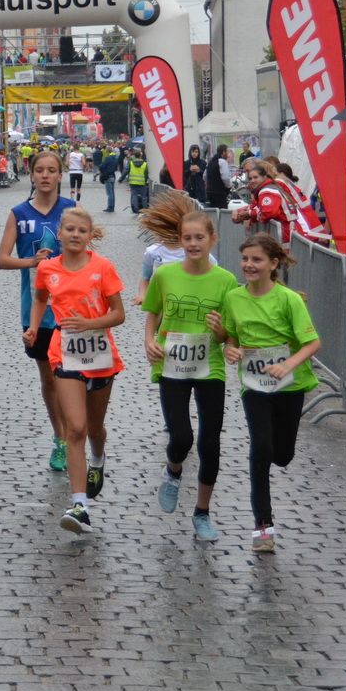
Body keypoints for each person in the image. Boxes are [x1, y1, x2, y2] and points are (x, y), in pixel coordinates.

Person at [25, 207, 126, 535]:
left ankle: (98, 460)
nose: (75, 235)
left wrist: (89, 323)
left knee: (95, 429)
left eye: (81, 230)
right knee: (75, 429)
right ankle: (80, 505)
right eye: (69, 229)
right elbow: (40, 299)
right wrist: (33, 327)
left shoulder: (103, 267)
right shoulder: (47, 268)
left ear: (90, 235)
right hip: (63, 354)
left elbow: (119, 314)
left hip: (100, 356)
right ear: (60, 232)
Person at [219, 233, 322, 554]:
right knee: (260, 449)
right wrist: (230, 349)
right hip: (254, 386)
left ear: (273, 264)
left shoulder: (288, 299)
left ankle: (281, 454)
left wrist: (287, 363)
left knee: (283, 455)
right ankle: (263, 525)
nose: (249, 265)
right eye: (245, 259)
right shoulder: (234, 298)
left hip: (290, 384)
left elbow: (313, 343)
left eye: (257, 260)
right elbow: (231, 338)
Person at [140, 203, 237, 542]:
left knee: (210, 444)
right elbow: (152, 310)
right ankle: (173, 470)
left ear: (213, 239)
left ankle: (202, 512)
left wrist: (222, 333)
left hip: (210, 367)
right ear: (180, 241)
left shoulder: (226, 280)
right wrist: (148, 339)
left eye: (199, 238)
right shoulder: (165, 275)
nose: (193, 244)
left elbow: (230, 333)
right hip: (172, 364)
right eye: (187, 238)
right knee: (181, 437)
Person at [0, 150, 76, 472]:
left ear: (60, 175)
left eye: (51, 170)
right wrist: (32, 262)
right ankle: (61, 437)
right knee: (49, 377)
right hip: (36, 312)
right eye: (39, 170)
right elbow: (2, 259)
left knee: (71, 375)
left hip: (72, 309)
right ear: (31, 175)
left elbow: (88, 253)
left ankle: (76, 433)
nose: (45, 175)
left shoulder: (72, 210)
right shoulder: (19, 213)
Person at [135, 192, 189, 304]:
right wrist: (142, 295)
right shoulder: (152, 251)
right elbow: (146, 277)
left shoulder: (193, 251)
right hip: (160, 304)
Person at [126, 149, 151, 213]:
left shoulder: (131, 163)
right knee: (144, 196)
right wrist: (145, 181)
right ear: (140, 156)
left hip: (133, 183)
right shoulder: (145, 164)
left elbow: (126, 171)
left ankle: (136, 209)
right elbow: (146, 174)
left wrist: (120, 179)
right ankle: (145, 209)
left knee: (134, 196)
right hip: (142, 183)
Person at [99, 146, 120, 213]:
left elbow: (101, 166)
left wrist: (103, 171)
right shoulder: (115, 157)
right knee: (112, 192)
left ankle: (110, 207)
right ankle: (112, 206)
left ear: (108, 152)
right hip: (113, 176)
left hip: (108, 176)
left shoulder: (108, 158)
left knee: (109, 193)